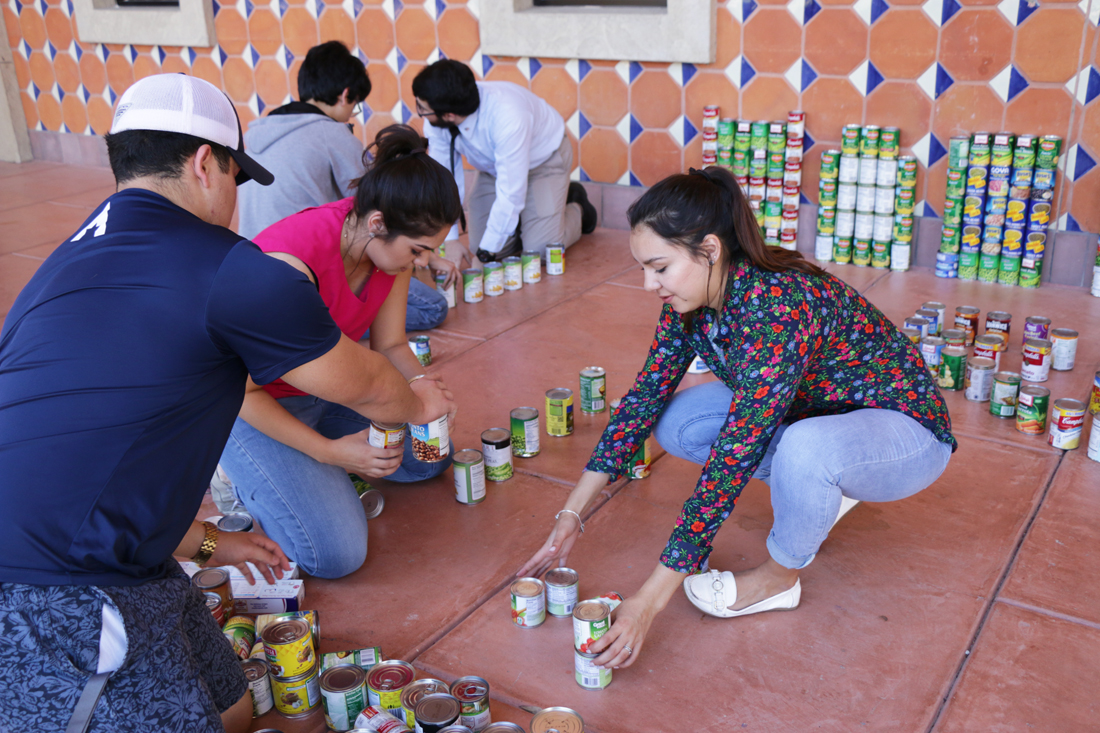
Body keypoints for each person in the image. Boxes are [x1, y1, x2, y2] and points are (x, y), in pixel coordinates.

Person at [0, 74, 453, 733]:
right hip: (54, 598)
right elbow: (373, 386)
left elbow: (86, 464)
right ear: (206, 164)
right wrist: (418, 406)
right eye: (237, 178)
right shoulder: (232, 269)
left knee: (235, 707)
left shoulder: (64, 261)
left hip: (117, 553)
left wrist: (214, 542)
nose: (238, 198)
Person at [518, 166, 955, 670]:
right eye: (644, 269)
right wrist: (571, 514)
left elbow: (731, 460)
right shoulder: (692, 301)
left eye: (659, 267)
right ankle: (817, 490)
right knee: (677, 423)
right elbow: (644, 398)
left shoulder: (779, 308)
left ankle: (779, 579)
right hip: (818, 415)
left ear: (709, 250)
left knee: (803, 449)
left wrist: (648, 603)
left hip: (905, 433)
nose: (648, 284)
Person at [218, 124, 464, 580]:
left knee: (430, 456)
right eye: (418, 251)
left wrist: (423, 389)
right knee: (335, 555)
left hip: (328, 389)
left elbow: (391, 344)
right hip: (252, 403)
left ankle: (316, 470)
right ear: (378, 224)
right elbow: (241, 390)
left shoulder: (386, 252)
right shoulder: (290, 264)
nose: (421, 263)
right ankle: (240, 471)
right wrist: (329, 452)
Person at [239, 41, 453, 332]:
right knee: (433, 307)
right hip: (304, 264)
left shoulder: (259, 131)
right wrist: (429, 256)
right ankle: (337, 330)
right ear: (345, 95)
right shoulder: (331, 133)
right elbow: (386, 205)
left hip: (252, 257)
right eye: (355, 105)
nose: (352, 114)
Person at [412, 59, 599, 263]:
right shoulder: (437, 120)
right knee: (481, 245)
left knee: (540, 251)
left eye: (422, 108)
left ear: (449, 115)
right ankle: (529, 221)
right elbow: (444, 179)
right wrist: (450, 240)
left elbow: (511, 193)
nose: (421, 112)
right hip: (494, 169)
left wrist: (485, 254)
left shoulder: (508, 116)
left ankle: (577, 206)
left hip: (543, 164)